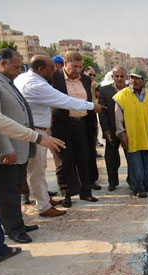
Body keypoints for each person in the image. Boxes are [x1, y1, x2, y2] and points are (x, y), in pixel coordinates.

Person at [15, 55, 105, 217]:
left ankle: (44, 200)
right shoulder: (35, 84)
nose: (54, 70)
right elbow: (63, 100)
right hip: (39, 130)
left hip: (43, 129)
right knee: (41, 169)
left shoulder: (26, 78)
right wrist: (93, 106)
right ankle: (44, 206)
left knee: (41, 169)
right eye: (51, 67)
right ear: (41, 69)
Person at [0, 103, 65, 263]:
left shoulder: (7, 83)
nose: (19, 75)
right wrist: (37, 137)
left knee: (9, 192)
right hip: (9, 147)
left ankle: (10, 232)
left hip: (21, 140)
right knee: (5, 194)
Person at [0, 48, 39, 244]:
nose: (20, 70)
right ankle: (13, 229)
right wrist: (5, 149)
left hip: (19, 146)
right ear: (2, 63)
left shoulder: (7, 82)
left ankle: (16, 222)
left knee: (15, 188)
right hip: (7, 150)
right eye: (17, 66)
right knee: (7, 191)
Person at [50, 51, 101, 207]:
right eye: (74, 67)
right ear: (65, 64)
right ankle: (66, 194)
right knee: (64, 161)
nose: (77, 70)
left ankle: (86, 192)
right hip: (62, 125)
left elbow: (89, 101)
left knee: (83, 158)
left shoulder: (85, 80)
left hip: (82, 124)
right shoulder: (54, 78)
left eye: (80, 67)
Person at [114, 68, 148, 198]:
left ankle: (146, 185)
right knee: (136, 167)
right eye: (132, 77)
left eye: (137, 78)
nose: (134, 80)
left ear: (143, 80)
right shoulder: (122, 95)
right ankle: (138, 188)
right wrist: (121, 134)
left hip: (145, 138)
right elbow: (118, 118)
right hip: (131, 138)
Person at [98, 65, 127, 191]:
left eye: (122, 76)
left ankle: (132, 180)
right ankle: (112, 182)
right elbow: (102, 112)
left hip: (128, 130)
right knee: (111, 159)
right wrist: (106, 130)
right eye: (117, 76)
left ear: (125, 77)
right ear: (112, 77)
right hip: (111, 129)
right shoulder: (105, 90)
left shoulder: (130, 91)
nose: (119, 79)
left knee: (131, 156)